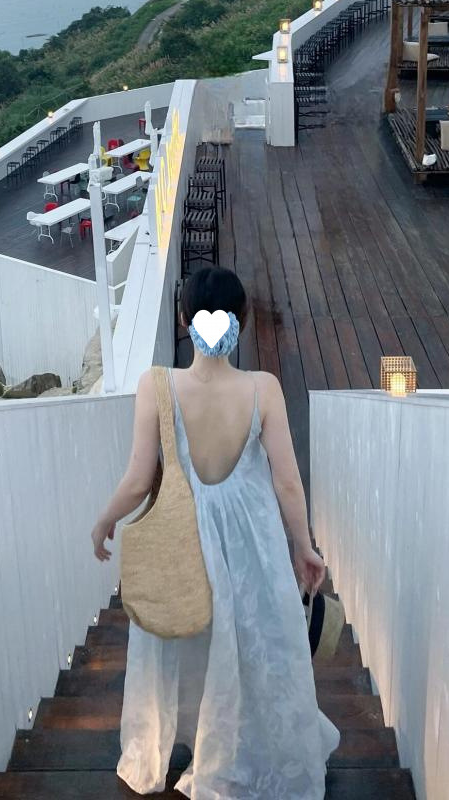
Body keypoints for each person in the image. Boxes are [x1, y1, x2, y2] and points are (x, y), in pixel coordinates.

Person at [91, 266, 340, 797]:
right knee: (247, 642)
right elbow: (286, 481)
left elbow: (138, 479)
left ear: (184, 320)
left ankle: (170, 741)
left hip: (183, 536)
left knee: (182, 638)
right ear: (240, 321)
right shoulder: (263, 389)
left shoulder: (157, 386)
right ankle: (231, 747)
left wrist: (106, 519)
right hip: (250, 541)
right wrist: (304, 546)